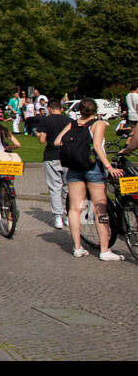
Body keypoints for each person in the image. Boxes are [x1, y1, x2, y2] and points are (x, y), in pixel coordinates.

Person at [54, 99, 125, 261]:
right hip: (93, 168)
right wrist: (109, 167)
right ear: (95, 110)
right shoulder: (97, 124)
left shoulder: (72, 124)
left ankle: (77, 247)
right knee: (100, 208)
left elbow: (57, 141)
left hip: (74, 168)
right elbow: (98, 146)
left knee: (75, 208)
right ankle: (104, 250)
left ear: (80, 110)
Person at [35, 99, 72, 229]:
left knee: (55, 187)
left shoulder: (45, 120)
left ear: (49, 109)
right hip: (67, 156)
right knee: (68, 187)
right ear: (61, 108)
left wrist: (38, 133)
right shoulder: (69, 121)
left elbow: (42, 140)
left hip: (51, 155)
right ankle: (68, 216)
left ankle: (58, 217)